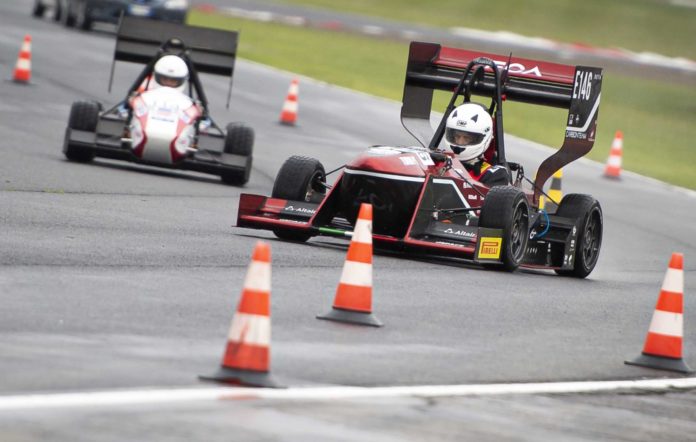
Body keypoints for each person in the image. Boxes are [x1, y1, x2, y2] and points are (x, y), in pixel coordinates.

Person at [444, 102, 510, 187]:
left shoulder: (494, 174)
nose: (460, 142)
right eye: (457, 136)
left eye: (466, 138)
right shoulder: (439, 161)